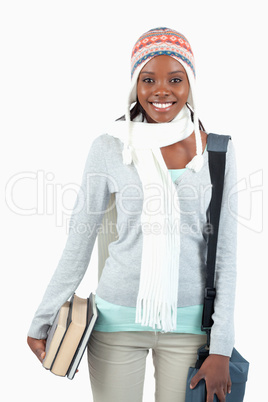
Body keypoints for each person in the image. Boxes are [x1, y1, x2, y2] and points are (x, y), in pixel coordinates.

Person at [27, 27, 237, 402]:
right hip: (115, 324)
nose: (162, 90)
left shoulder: (217, 152)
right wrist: (43, 317)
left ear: (190, 83)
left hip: (189, 328)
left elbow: (226, 256)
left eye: (175, 79)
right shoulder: (110, 147)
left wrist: (221, 345)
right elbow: (79, 239)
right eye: (148, 79)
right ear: (134, 85)